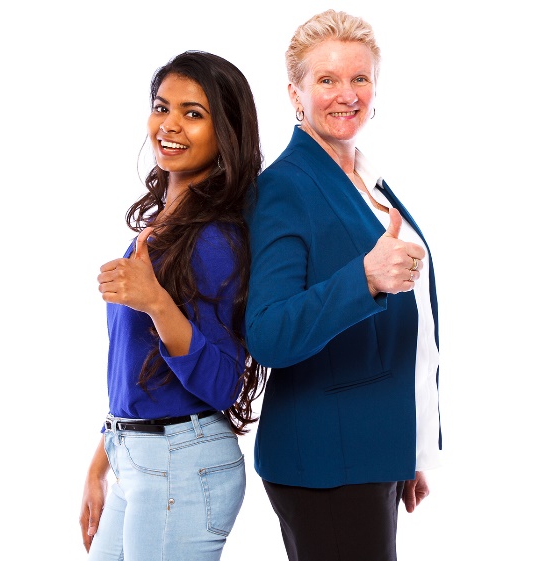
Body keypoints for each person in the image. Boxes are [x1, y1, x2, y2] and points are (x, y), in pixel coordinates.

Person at [245, 9, 441, 561]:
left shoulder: (365, 179)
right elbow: (267, 334)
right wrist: (365, 278)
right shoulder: (285, 187)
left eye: (360, 78)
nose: (346, 94)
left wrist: (403, 450)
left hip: (368, 451)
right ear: (295, 92)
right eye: (326, 80)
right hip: (326, 463)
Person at [79, 50, 266, 561]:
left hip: (181, 462)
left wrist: (156, 302)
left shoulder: (217, 240)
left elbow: (223, 383)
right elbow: (137, 368)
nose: (170, 125)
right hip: (138, 454)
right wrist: (102, 461)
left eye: (193, 113)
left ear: (224, 132)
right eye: (162, 107)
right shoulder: (164, 227)